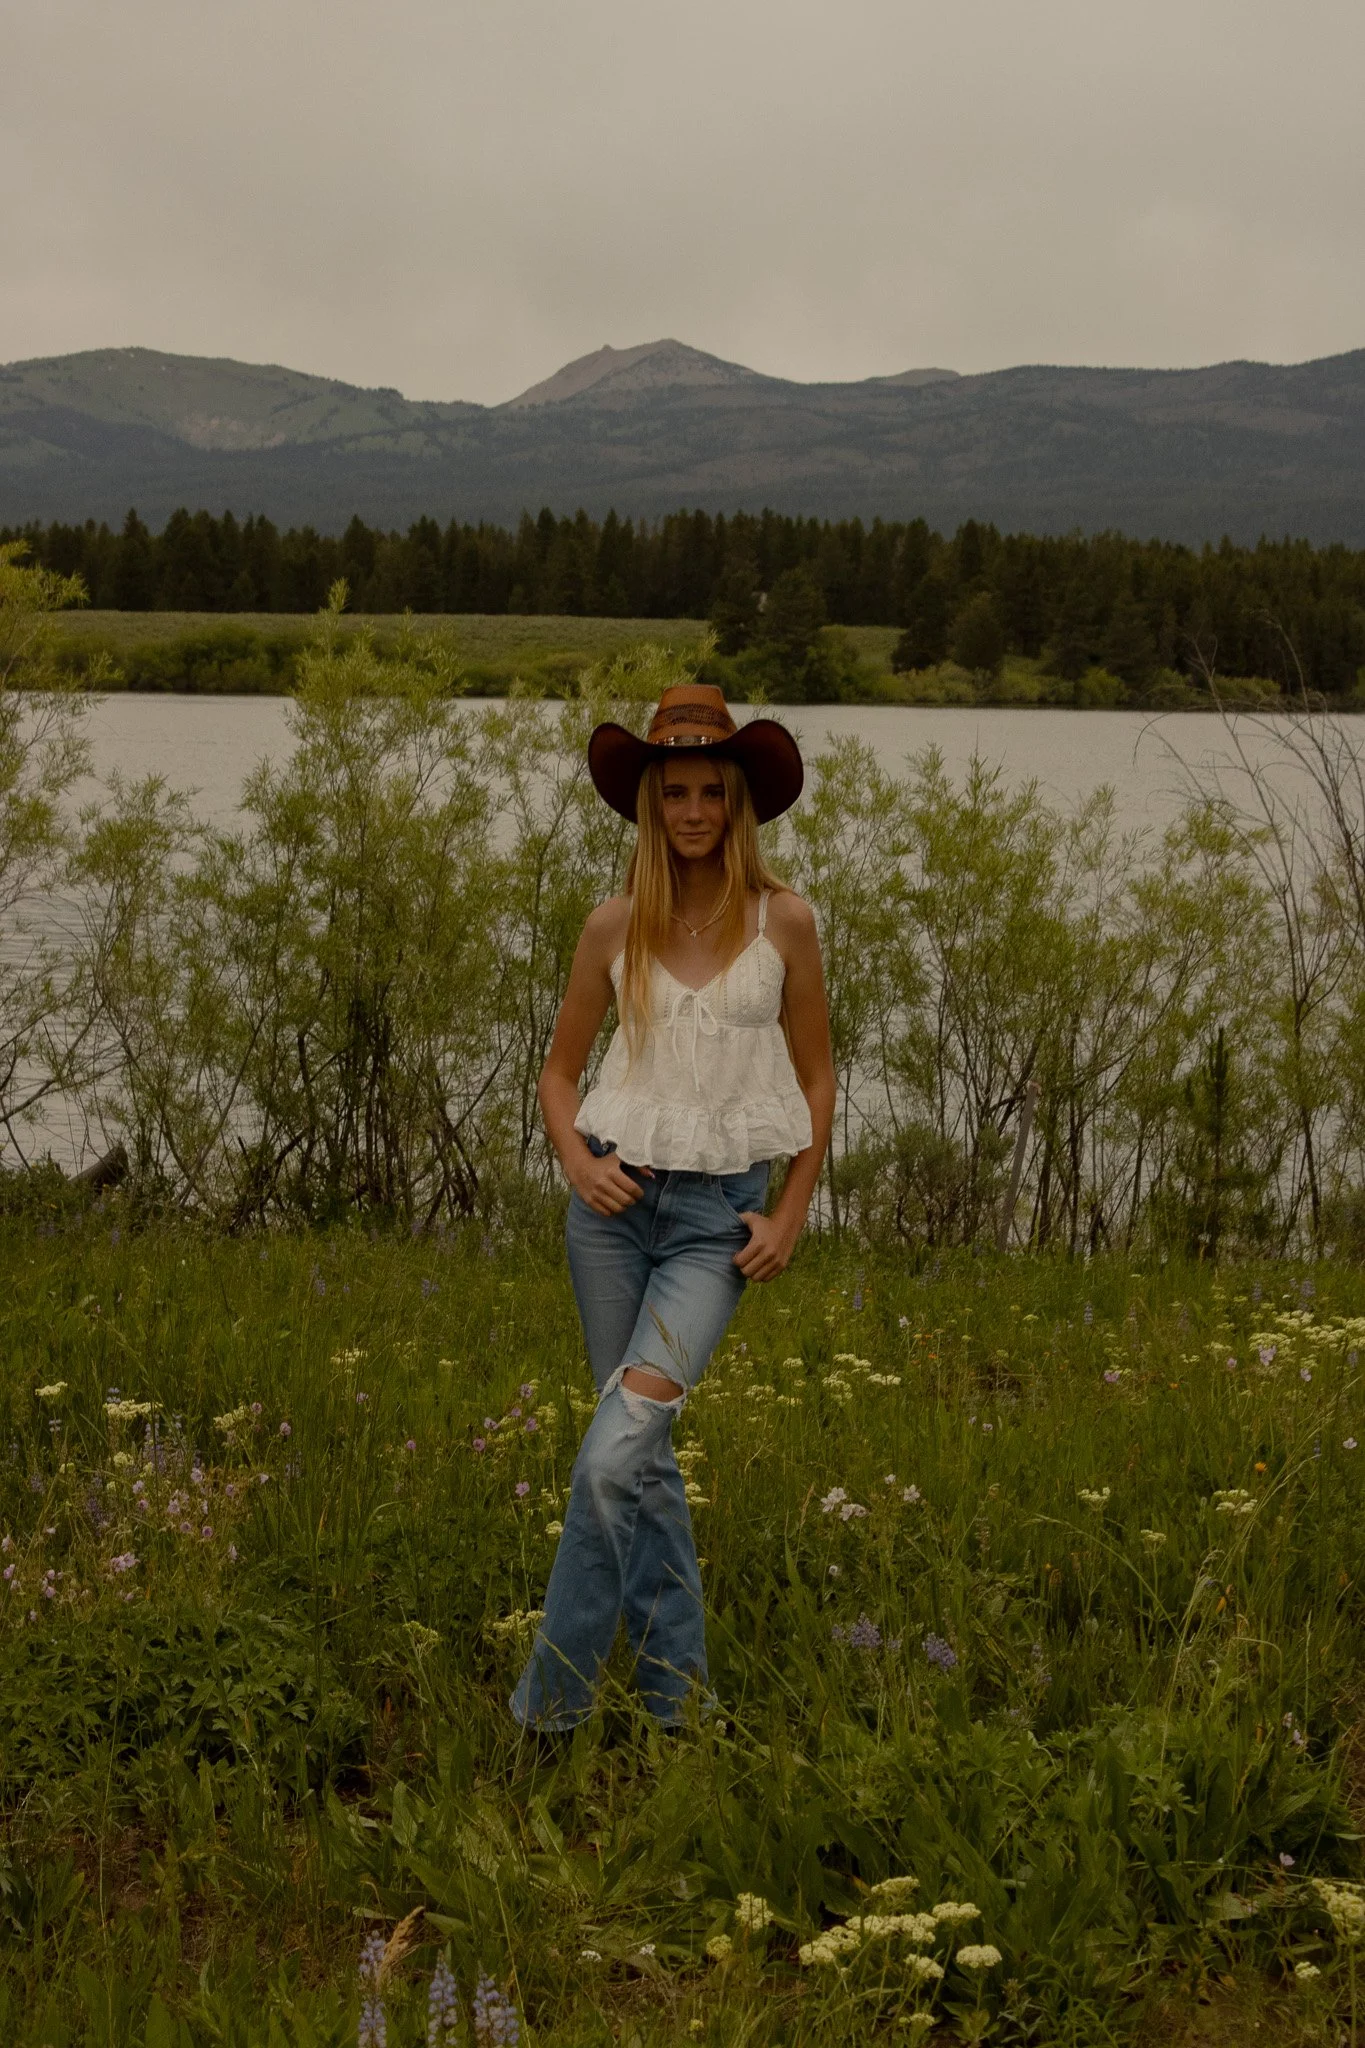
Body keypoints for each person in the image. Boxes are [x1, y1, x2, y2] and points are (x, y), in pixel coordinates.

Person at [510, 682, 835, 1731]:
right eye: (676, 792)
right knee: (638, 1466)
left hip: (713, 1223)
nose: (694, 810)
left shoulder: (784, 918)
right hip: (611, 1206)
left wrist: (789, 1213)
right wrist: (573, 1158)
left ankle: (546, 1714)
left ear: (739, 802)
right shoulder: (613, 923)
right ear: (651, 803)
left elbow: (819, 1080)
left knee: (615, 1449)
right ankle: (679, 1710)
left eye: (711, 791)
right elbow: (559, 1074)